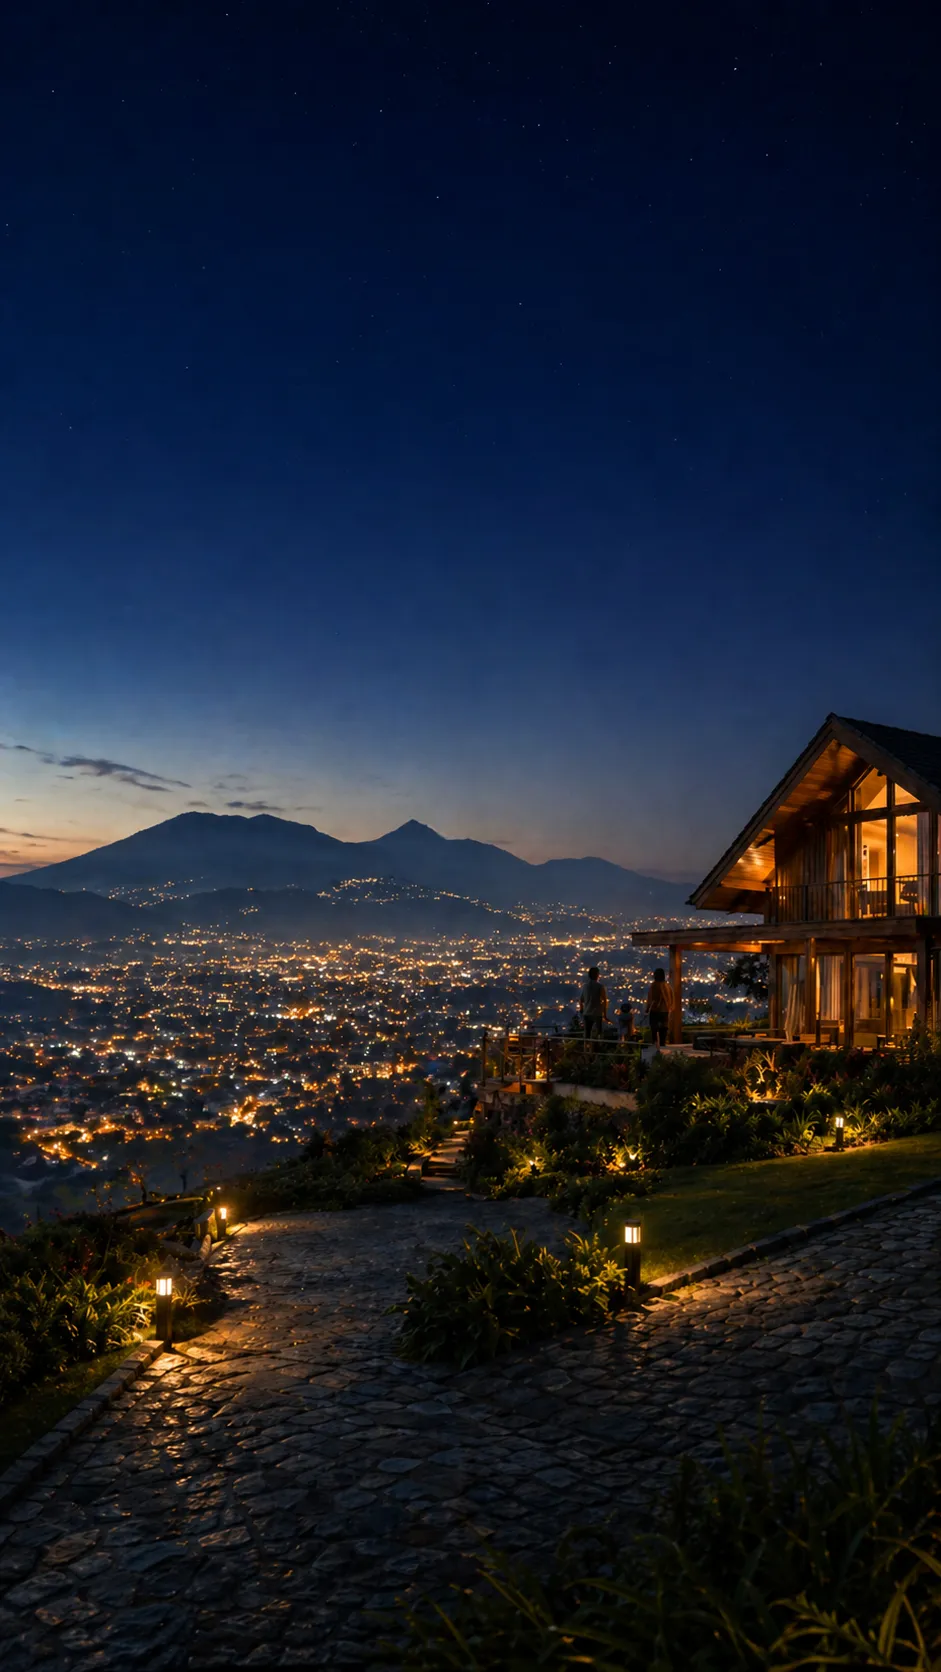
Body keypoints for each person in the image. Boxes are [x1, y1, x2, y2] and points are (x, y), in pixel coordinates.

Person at [645, 967, 674, 1048]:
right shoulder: (667, 986)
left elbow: (652, 998)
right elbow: (672, 998)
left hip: (656, 1010)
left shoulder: (654, 985)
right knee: (664, 1028)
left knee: (654, 1028)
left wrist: (648, 1009)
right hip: (666, 1010)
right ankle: (662, 1044)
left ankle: (655, 1044)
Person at [578, 966, 608, 1041]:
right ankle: (598, 1047)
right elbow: (604, 1000)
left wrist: (582, 1009)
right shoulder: (600, 987)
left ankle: (587, 1049)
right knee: (599, 1033)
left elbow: (581, 1000)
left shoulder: (585, 986)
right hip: (597, 1013)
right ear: (597, 975)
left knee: (587, 1033)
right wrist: (605, 1014)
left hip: (587, 1013)